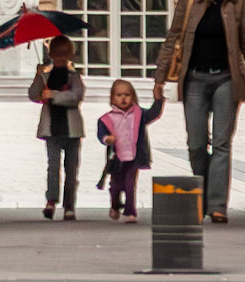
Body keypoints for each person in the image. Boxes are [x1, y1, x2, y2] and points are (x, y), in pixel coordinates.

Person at [154, 0, 245, 225]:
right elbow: (173, 38)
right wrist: (159, 77)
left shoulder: (241, 2)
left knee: (221, 144)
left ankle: (217, 206)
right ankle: (200, 198)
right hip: (193, 79)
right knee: (194, 144)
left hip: (226, 80)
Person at [28, 35, 85, 221]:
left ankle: (70, 205)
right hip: (52, 129)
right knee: (52, 167)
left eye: (64, 55)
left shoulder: (74, 77)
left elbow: (76, 96)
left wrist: (54, 95)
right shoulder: (46, 75)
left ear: (70, 55)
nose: (60, 58)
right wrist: (38, 77)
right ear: (51, 55)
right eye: (56, 54)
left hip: (71, 130)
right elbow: (33, 95)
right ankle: (51, 200)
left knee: (71, 169)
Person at [96, 78, 165, 223]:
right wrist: (106, 138)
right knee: (115, 186)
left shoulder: (139, 115)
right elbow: (101, 133)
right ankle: (115, 205)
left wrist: (158, 99)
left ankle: (130, 211)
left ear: (133, 97)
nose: (123, 98)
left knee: (129, 184)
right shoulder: (107, 118)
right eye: (119, 95)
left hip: (134, 156)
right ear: (112, 98)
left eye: (127, 95)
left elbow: (154, 114)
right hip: (116, 158)